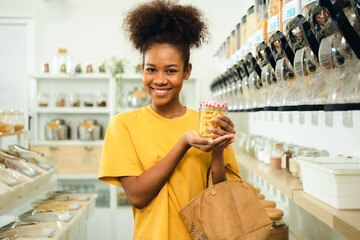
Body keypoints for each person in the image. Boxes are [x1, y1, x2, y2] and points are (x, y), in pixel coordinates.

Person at [98, 0, 240, 239]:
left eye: (171, 70)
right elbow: (137, 196)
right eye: (151, 69)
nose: (160, 80)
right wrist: (183, 143)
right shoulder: (123, 125)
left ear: (187, 71)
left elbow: (224, 200)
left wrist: (217, 150)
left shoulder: (206, 124)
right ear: (141, 69)